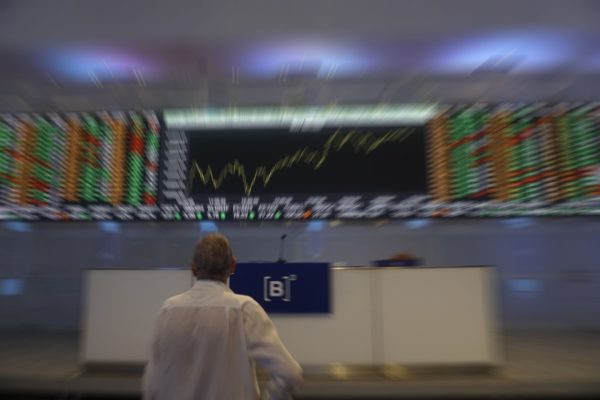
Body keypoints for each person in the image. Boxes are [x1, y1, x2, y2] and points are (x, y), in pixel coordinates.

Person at [142, 233, 303, 400]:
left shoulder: (168, 310)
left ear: (193, 268)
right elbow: (289, 373)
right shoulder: (244, 310)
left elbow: (153, 382)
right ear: (233, 266)